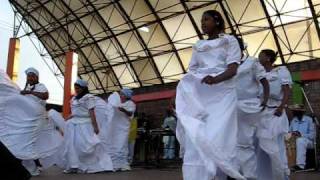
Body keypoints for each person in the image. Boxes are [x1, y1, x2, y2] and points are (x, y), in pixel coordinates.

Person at [175, 10, 244, 180]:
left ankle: (222, 174)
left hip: (223, 94)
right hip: (201, 93)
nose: (203, 23)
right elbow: (191, 72)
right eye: (201, 20)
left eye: (206, 19)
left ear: (218, 21)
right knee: (197, 134)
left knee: (218, 135)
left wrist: (216, 79)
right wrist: (181, 94)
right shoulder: (198, 45)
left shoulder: (229, 40)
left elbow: (233, 69)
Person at [58, 79, 113, 173]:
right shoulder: (74, 99)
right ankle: (74, 165)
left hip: (85, 125)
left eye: (78, 88)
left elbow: (92, 113)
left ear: (84, 88)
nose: (76, 90)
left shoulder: (89, 97)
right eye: (75, 88)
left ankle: (90, 164)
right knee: (72, 146)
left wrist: (95, 127)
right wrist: (67, 118)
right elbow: (74, 113)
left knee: (84, 146)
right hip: (73, 125)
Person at [235, 38, 270, 180]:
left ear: (241, 47)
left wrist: (265, 100)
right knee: (234, 143)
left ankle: (250, 176)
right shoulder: (227, 64)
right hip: (232, 107)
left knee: (246, 143)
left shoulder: (252, 62)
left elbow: (264, 82)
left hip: (250, 107)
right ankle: (237, 173)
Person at [257, 49, 292, 180]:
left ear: (268, 58)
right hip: (263, 112)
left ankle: (282, 175)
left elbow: (286, 91)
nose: (258, 58)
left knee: (277, 145)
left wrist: (282, 107)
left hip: (276, 111)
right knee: (262, 145)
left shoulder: (280, 71)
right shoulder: (259, 74)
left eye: (261, 55)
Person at [107, 88, 136, 171]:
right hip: (115, 128)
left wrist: (123, 110)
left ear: (126, 96)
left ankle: (122, 164)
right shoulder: (117, 104)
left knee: (121, 145)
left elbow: (130, 113)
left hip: (123, 128)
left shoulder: (130, 104)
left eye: (122, 94)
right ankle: (114, 164)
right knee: (114, 144)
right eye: (120, 94)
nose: (120, 96)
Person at [289, 104, 315, 171]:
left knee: (300, 141)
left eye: (295, 111)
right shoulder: (293, 120)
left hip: (309, 142)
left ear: (300, 112)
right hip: (295, 141)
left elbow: (312, 135)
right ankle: (289, 164)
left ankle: (300, 165)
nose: (293, 112)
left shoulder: (309, 120)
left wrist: (301, 134)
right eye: (293, 111)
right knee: (285, 140)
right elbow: (289, 132)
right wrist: (292, 134)